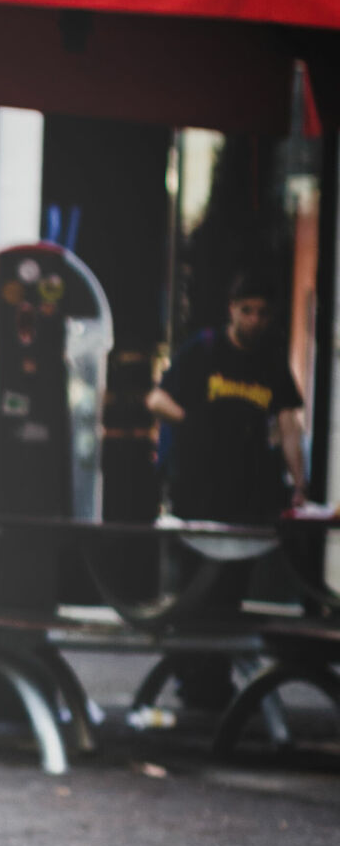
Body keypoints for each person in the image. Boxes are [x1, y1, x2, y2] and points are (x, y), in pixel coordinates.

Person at [146, 274, 308, 708]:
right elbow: (157, 400)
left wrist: (299, 483)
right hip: (198, 490)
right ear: (231, 310)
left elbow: (289, 424)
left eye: (262, 313)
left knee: (230, 591)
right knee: (195, 589)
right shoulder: (204, 350)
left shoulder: (271, 362)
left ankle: (214, 682)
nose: (255, 320)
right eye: (247, 310)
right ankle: (191, 675)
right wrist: (196, 422)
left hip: (247, 492)